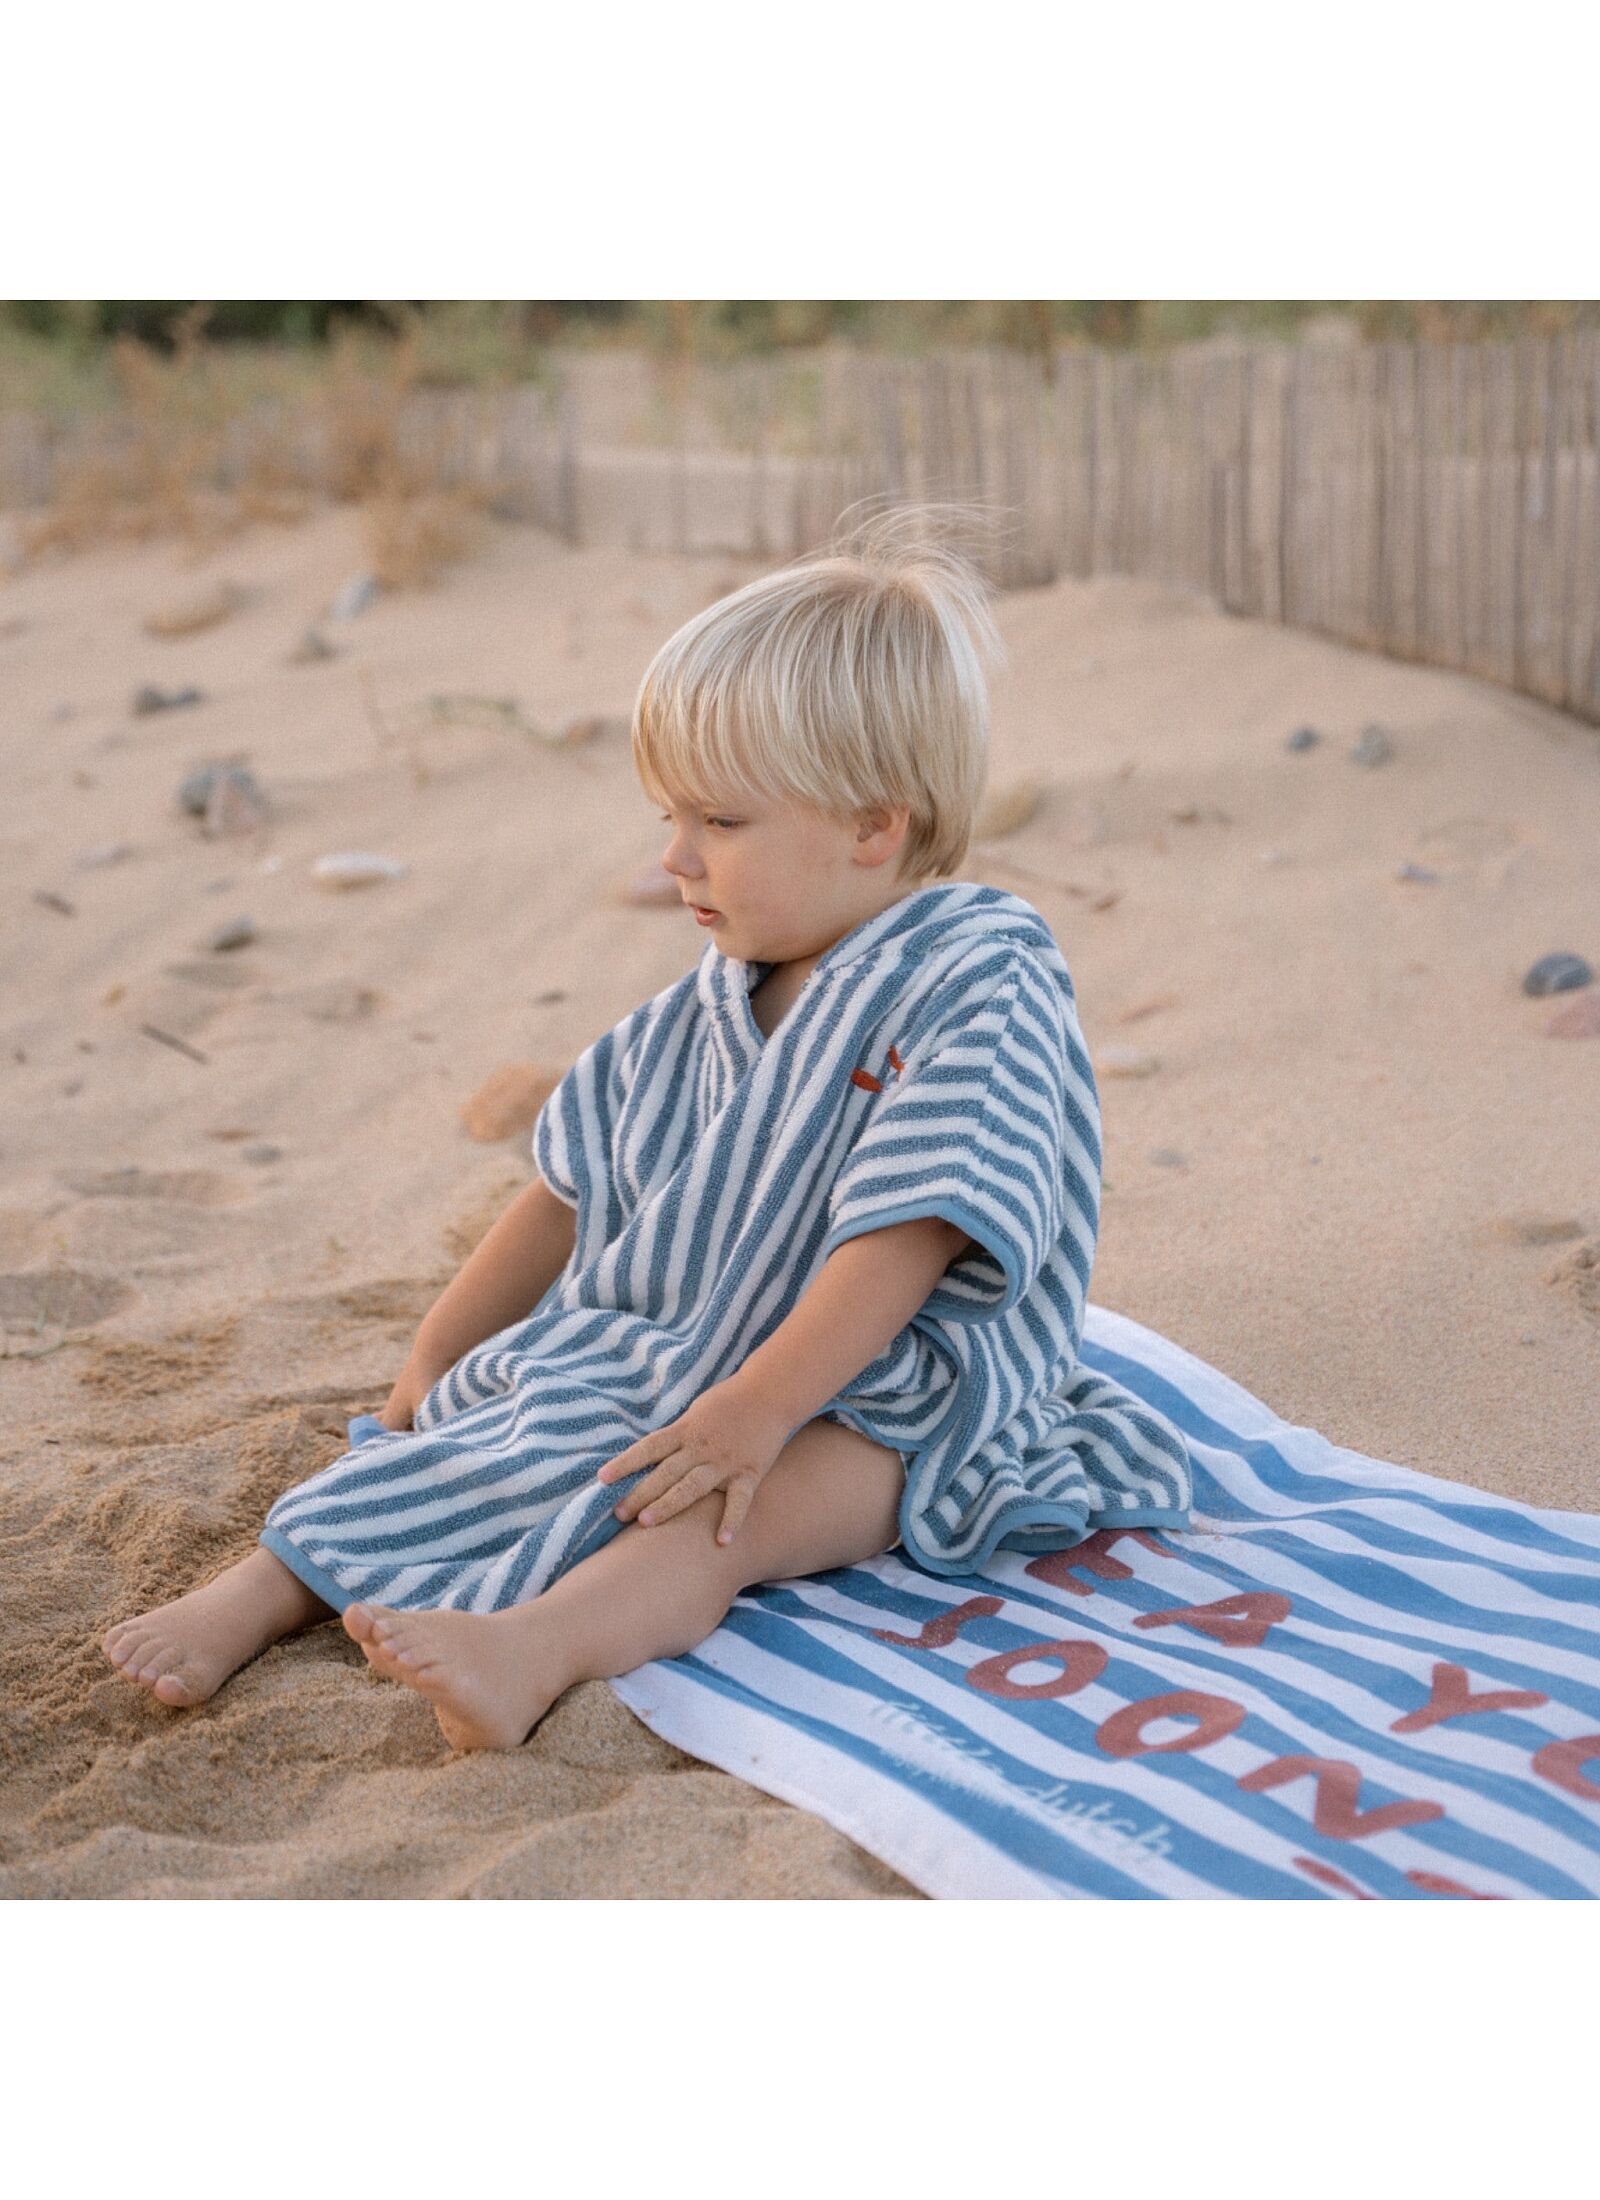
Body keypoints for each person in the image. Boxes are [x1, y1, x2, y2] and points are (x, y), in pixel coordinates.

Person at [102, 501, 1193, 1752]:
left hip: (893, 1395)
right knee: (505, 1426)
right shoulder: (701, 1008)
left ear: (873, 824)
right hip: (690, 1352)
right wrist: (433, 1359)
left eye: (719, 824)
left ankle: (533, 1649)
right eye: (668, 818)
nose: (675, 858)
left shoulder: (973, 970)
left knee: (717, 1515)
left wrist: (758, 1410)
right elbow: (561, 1195)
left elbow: (912, 1230)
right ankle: (259, 1590)